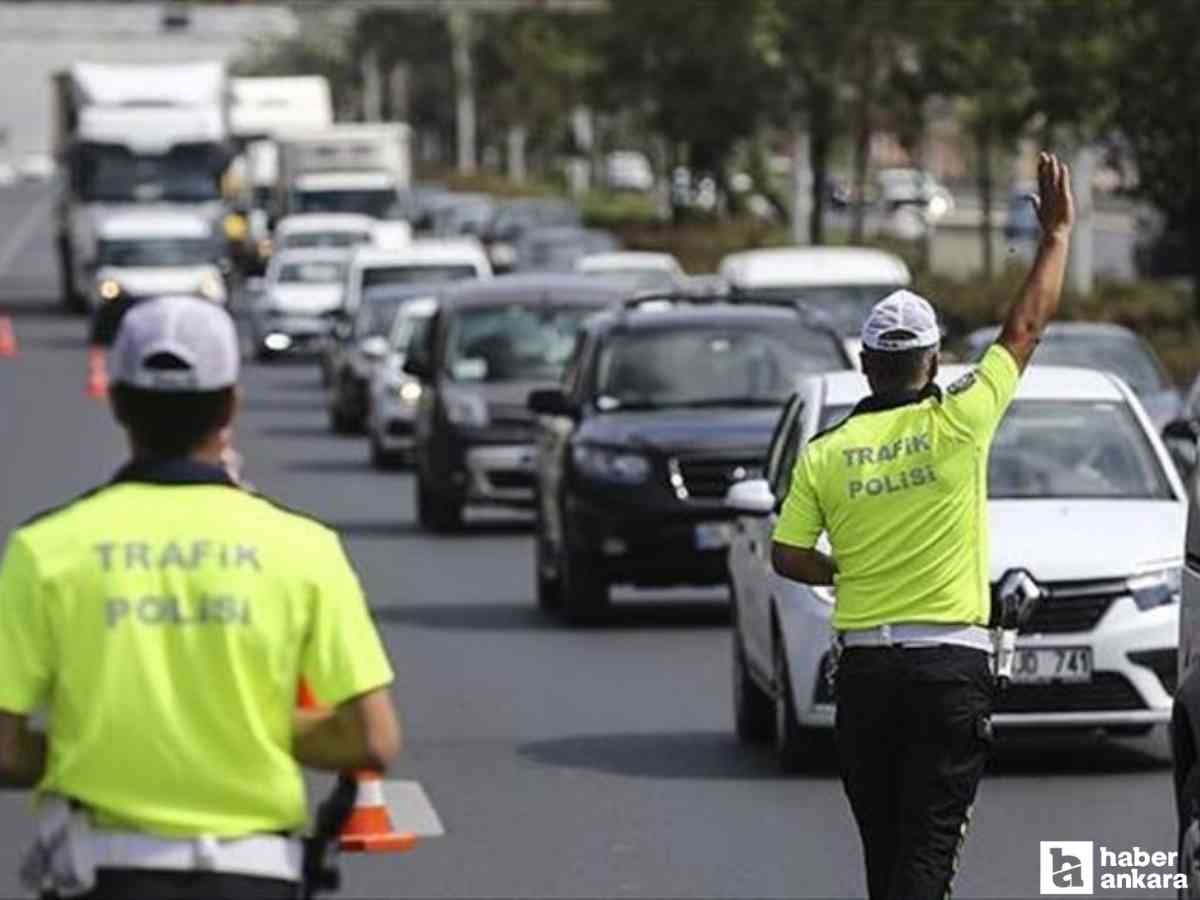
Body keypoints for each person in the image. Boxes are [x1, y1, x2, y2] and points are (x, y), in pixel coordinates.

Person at [0, 295, 401, 900]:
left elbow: (4, 746)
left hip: (103, 873)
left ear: (116, 401)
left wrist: (106, 738)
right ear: (232, 404)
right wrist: (247, 726)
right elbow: (373, 739)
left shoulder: (46, 550)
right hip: (256, 872)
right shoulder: (303, 548)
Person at [770, 151, 1074, 899]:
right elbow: (1025, 328)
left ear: (868, 366)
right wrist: (1057, 237)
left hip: (867, 677)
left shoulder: (826, 453)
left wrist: (845, 570)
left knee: (887, 856)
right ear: (933, 362)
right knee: (927, 857)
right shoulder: (962, 419)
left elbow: (785, 554)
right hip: (949, 674)